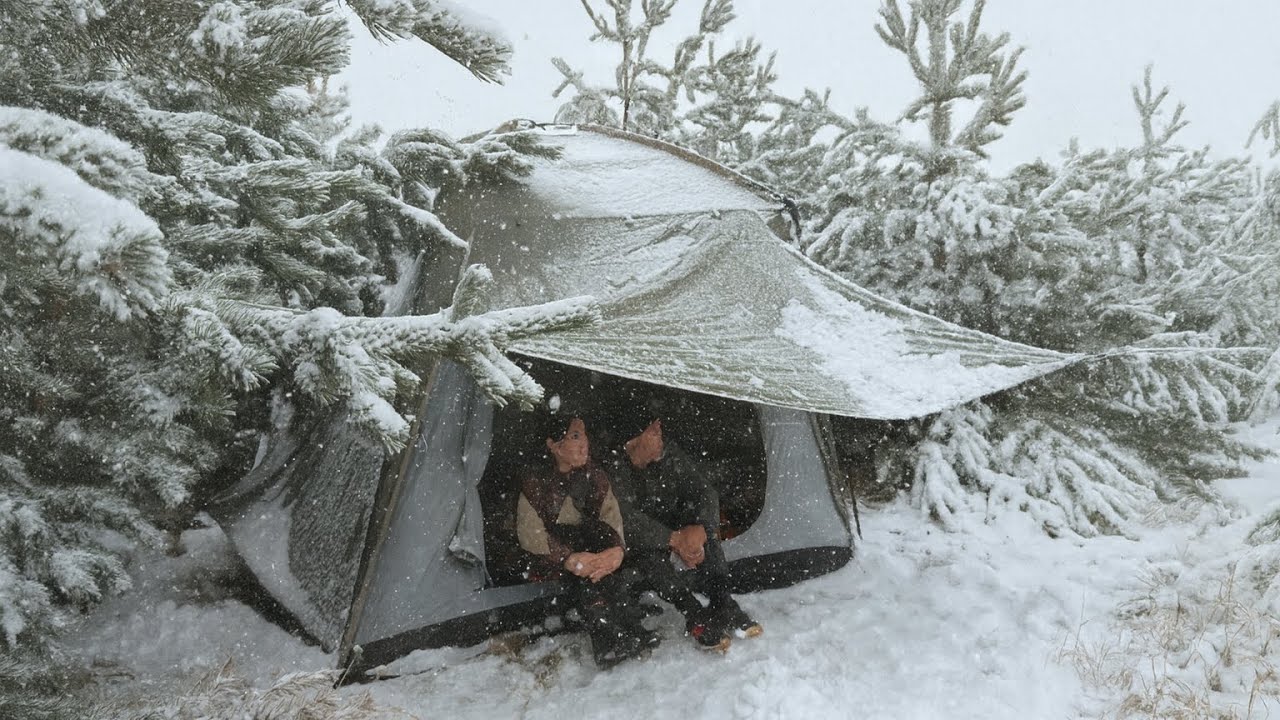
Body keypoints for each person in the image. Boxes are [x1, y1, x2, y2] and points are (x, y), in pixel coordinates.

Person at [609, 418, 762, 652]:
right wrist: (672, 539)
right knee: (647, 555)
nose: (660, 438)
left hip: (674, 525)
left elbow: (703, 490)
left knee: (702, 532)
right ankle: (693, 613)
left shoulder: (668, 455)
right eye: (653, 433)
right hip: (637, 540)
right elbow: (624, 519)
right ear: (633, 440)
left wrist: (701, 528)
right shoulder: (614, 468)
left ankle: (722, 601)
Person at [515, 415, 656, 667]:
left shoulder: (594, 475)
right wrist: (568, 558)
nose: (584, 444)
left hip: (589, 549)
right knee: (584, 577)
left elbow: (610, 515)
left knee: (600, 567)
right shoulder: (535, 482)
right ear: (554, 445)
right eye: (575, 437)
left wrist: (614, 551)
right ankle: (607, 640)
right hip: (551, 556)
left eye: (584, 436)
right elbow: (530, 534)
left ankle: (629, 627)